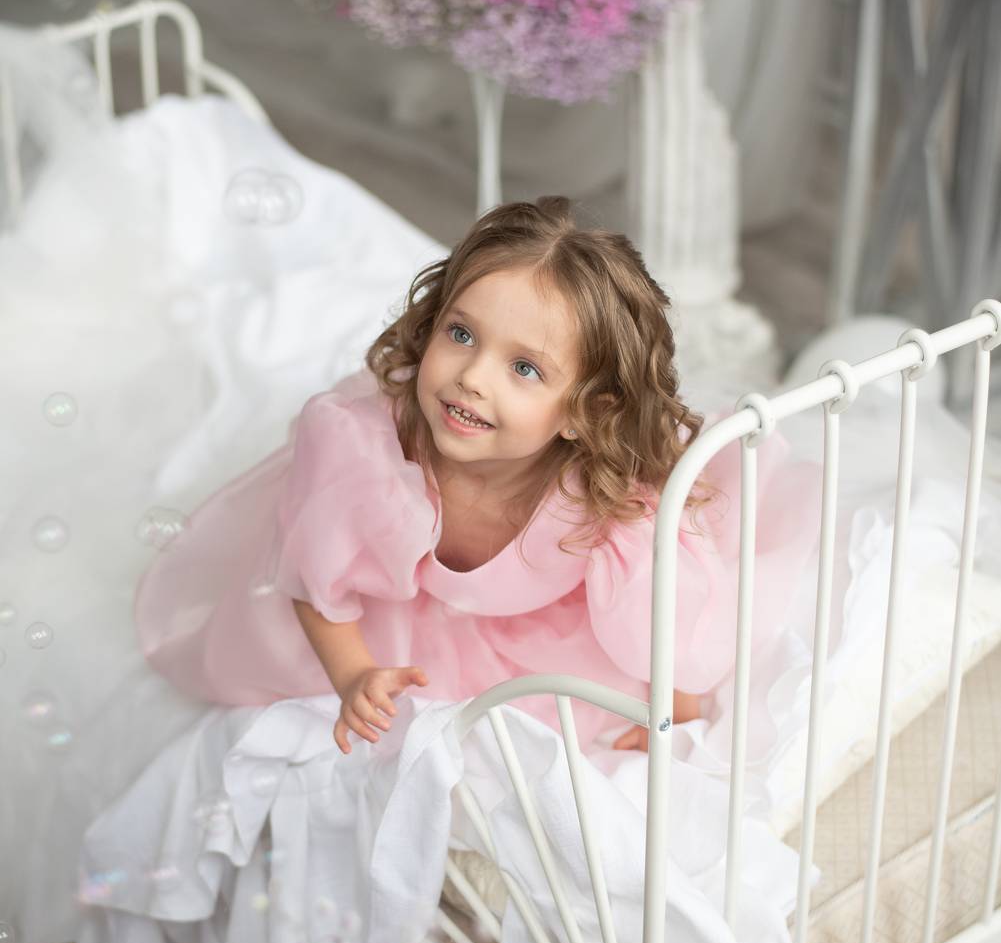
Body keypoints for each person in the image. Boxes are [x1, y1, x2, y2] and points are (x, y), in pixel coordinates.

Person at [135, 195, 822, 759]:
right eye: (461, 334)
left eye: (524, 368)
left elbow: (666, 622)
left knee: (546, 718)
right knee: (307, 686)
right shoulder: (367, 456)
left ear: (582, 413)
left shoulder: (604, 501)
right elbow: (318, 584)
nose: (471, 377)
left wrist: (677, 709)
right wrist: (353, 674)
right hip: (399, 619)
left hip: (531, 625)